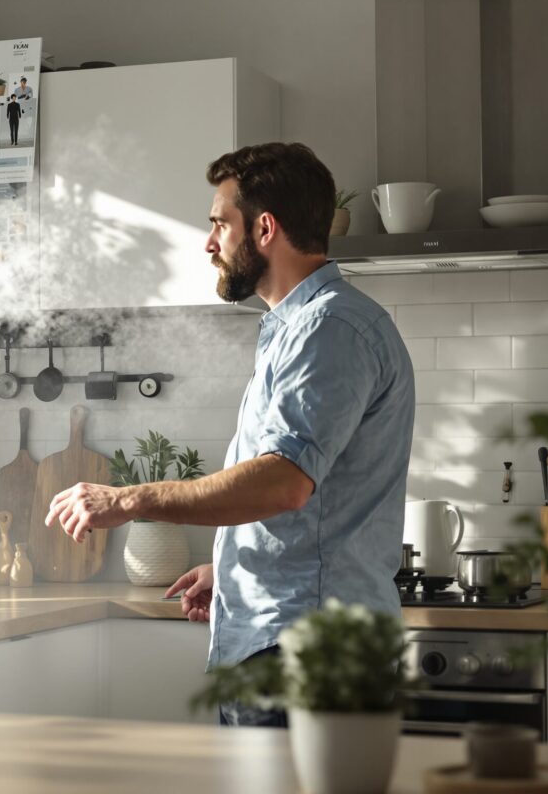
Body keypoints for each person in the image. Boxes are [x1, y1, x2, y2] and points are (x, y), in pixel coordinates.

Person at [42, 142, 414, 728]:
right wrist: (233, 569)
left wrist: (129, 499)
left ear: (264, 228)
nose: (209, 243)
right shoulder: (299, 328)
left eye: (220, 223)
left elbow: (283, 482)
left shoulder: (329, 329)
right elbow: (310, 505)